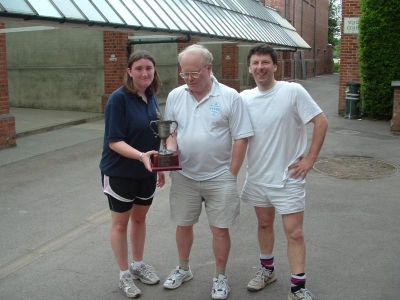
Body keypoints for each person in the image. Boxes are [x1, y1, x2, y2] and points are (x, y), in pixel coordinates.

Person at [162, 44, 254, 300]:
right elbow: (171, 131)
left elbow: (241, 138)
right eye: (184, 74)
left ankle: (220, 276)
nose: (189, 79)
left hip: (219, 177)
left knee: (220, 229)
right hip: (184, 176)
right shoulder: (175, 96)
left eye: (194, 73)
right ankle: (183, 268)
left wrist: (231, 174)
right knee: (183, 224)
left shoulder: (230, 96)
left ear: (209, 68)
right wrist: (170, 151)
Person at [240, 43, 328, 300]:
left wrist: (310, 158)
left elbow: (321, 122)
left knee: (295, 232)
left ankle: (298, 287)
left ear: (275, 65)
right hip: (257, 177)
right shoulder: (244, 98)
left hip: (289, 177)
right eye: (255, 63)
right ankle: (267, 271)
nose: (260, 68)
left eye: (265, 62)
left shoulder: (292, 92)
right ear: (249, 67)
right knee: (264, 223)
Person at [99, 50, 166, 299]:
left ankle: (138, 266)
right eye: (138, 68)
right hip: (120, 172)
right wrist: (141, 156)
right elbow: (114, 141)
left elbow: (157, 135)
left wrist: (158, 165)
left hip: (146, 172)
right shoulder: (118, 99)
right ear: (129, 71)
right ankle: (124, 274)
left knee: (140, 219)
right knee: (120, 223)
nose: (144, 73)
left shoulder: (152, 97)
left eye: (149, 67)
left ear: (154, 69)